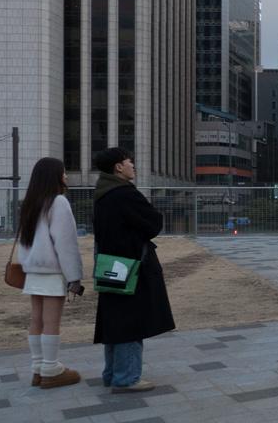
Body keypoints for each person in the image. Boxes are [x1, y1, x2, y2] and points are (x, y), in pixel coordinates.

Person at [92, 148, 175, 393]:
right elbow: (153, 223)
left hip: (111, 264)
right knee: (131, 319)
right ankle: (127, 377)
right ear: (119, 167)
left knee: (115, 318)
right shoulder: (125, 194)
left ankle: (112, 373)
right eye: (130, 162)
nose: (133, 166)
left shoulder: (102, 193)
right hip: (132, 265)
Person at [16, 157, 85, 389]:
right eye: (63, 172)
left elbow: (24, 243)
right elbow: (65, 243)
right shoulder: (58, 202)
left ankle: (38, 368)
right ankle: (51, 368)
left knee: (36, 319)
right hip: (52, 270)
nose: (66, 176)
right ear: (54, 176)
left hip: (33, 270)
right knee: (51, 322)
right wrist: (74, 276)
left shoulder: (30, 203)